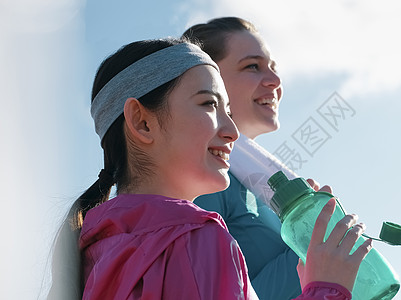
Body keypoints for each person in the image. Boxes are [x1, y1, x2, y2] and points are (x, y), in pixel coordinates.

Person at [47, 38, 372, 299]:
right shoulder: (199, 238)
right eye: (209, 104)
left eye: (228, 109)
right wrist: (327, 288)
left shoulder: (88, 251)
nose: (232, 130)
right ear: (142, 121)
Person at [182, 17, 307, 299]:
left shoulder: (259, 179)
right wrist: (314, 252)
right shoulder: (201, 177)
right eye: (253, 66)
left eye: (273, 68)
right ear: (207, 81)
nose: (275, 81)